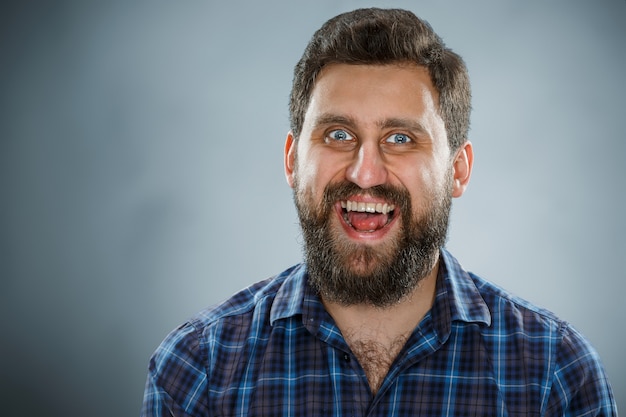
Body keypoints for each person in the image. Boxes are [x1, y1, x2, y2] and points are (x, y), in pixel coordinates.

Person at [141, 8, 616, 416]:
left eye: (401, 139)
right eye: (339, 135)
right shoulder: (197, 368)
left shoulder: (555, 372)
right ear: (291, 160)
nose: (366, 173)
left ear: (458, 171)